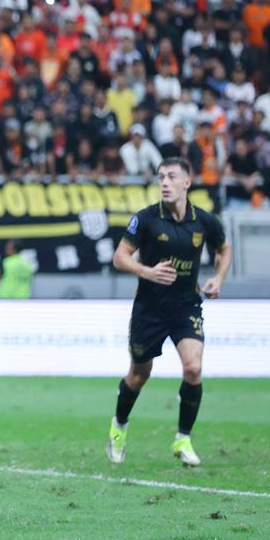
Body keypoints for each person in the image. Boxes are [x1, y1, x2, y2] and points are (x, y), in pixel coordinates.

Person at [108, 157, 232, 467]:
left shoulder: (204, 220)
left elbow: (224, 249)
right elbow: (120, 258)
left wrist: (218, 278)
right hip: (149, 309)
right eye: (161, 176)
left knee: (193, 368)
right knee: (139, 375)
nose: (164, 182)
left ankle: (183, 439)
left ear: (186, 183)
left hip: (185, 306)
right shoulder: (147, 219)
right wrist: (148, 272)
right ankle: (119, 426)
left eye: (171, 176)